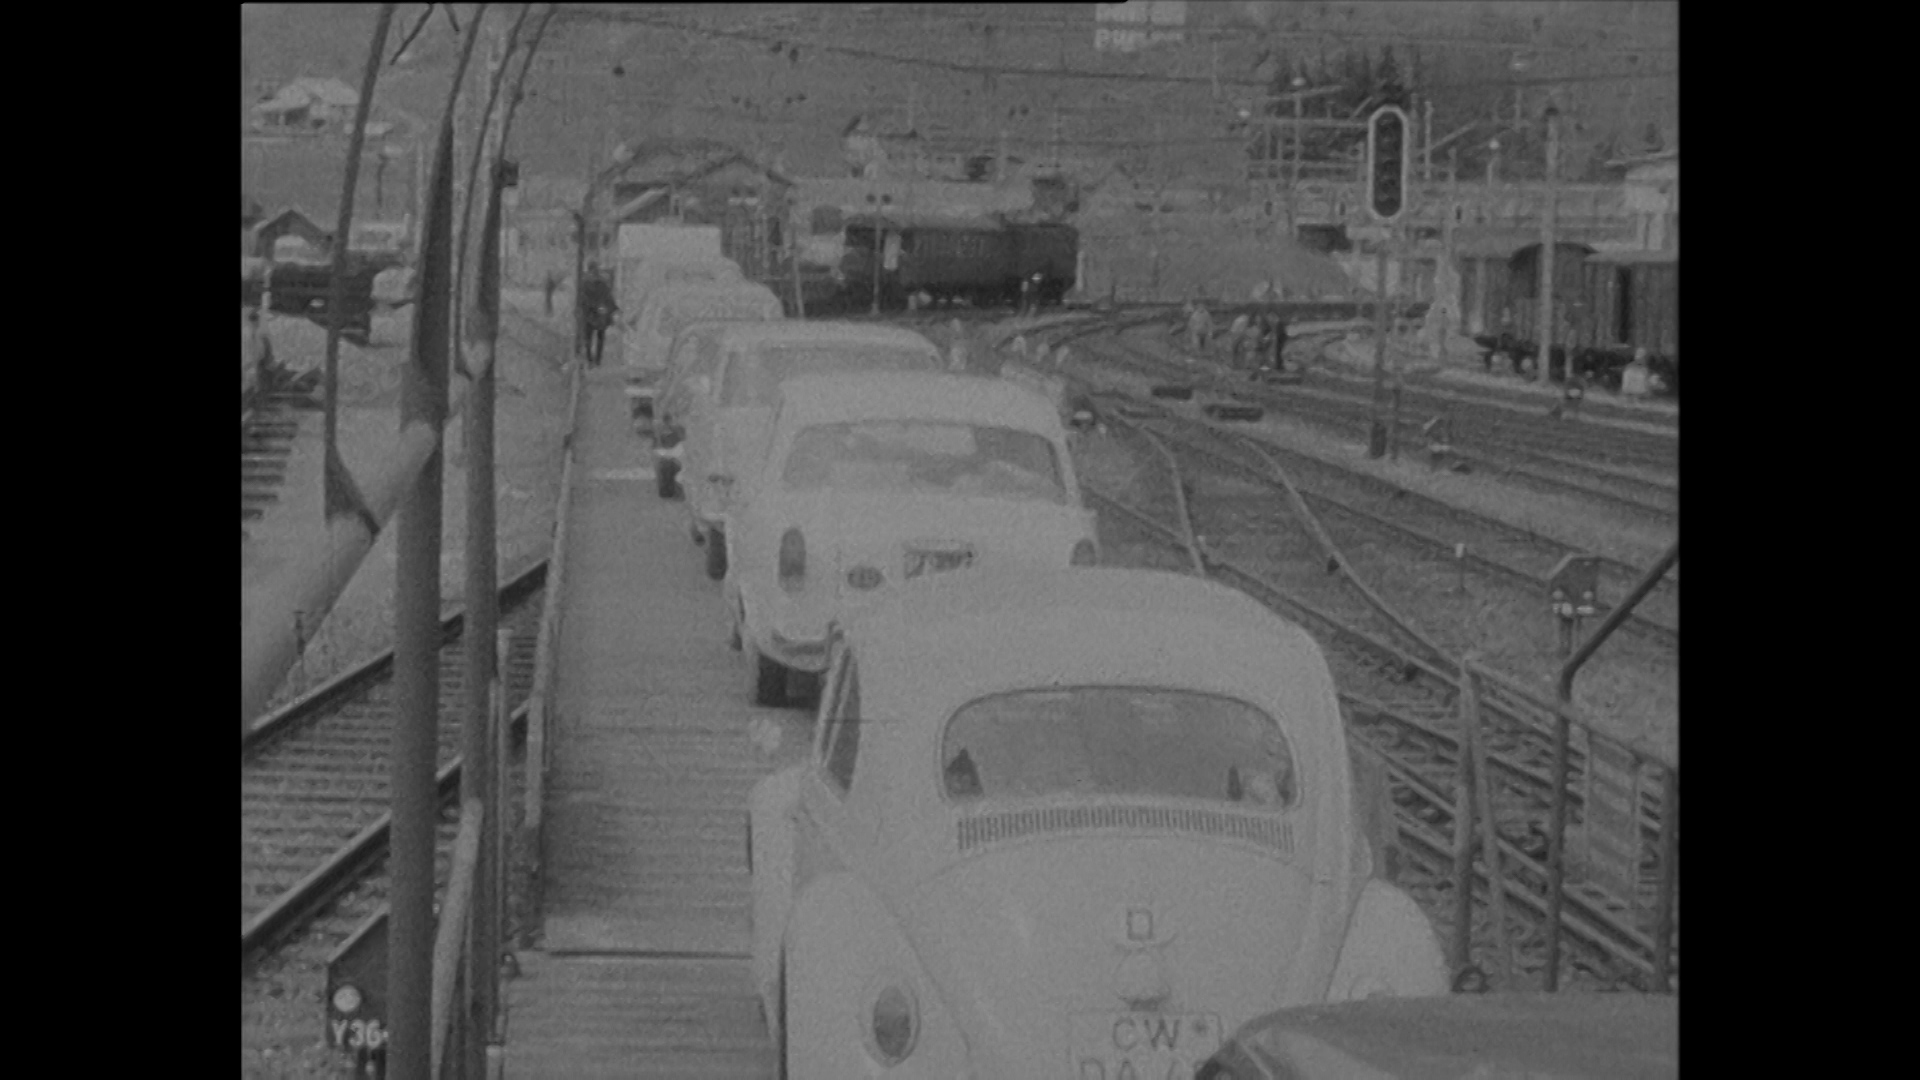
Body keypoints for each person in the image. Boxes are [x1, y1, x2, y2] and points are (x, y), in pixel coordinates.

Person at [581, 264, 618, 367]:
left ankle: (597, 360)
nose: (594, 274)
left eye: (595, 271)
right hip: (590, 315)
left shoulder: (602, 284)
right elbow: (583, 300)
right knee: (588, 338)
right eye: (593, 271)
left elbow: (608, 298)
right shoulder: (585, 285)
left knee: (599, 338)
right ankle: (590, 359)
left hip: (600, 316)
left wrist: (608, 308)